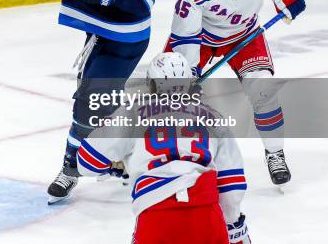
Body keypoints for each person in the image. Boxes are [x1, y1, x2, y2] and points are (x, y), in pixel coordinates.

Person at [36, 0, 156, 204]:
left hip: (127, 37)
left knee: (89, 99)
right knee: (95, 95)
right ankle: (118, 154)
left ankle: (70, 168)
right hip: (99, 31)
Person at [165, 0, 306, 185]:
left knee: (264, 91)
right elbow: (185, 35)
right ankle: (150, 155)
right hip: (202, 39)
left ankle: (274, 153)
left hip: (245, 34)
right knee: (168, 94)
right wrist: (189, 72)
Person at [78, 52, 251, 244]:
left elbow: (86, 163)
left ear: (151, 83)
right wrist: (234, 226)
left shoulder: (133, 112)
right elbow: (231, 182)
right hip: (205, 214)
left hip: (156, 213)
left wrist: (114, 164)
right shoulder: (213, 117)